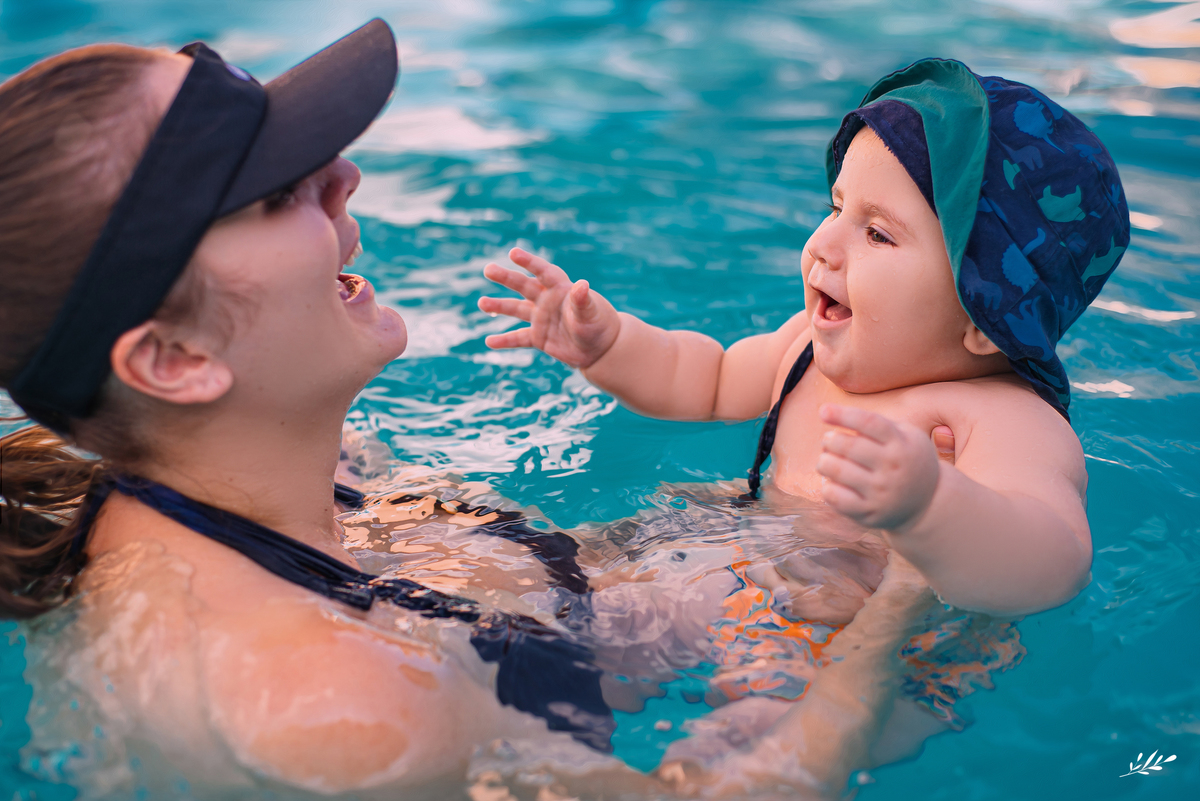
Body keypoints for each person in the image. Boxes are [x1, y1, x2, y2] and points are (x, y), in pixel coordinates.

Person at [0, 19, 935, 799]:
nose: (343, 177)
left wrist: (770, 547)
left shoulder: (287, 469)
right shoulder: (325, 703)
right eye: (280, 189)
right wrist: (895, 616)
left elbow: (492, 604)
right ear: (172, 359)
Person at [480, 58, 1131, 618]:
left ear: (984, 315)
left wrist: (932, 504)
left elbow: (1053, 562)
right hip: (725, 548)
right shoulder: (805, 353)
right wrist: (611, 347)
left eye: (877, 233)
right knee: (515, 563)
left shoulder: (1002, 422)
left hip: (829, 635)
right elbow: (700, 380)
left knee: (739, 744)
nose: (823, 246)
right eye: (835, 209)